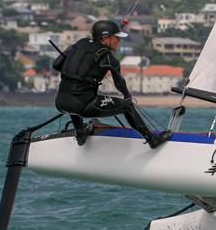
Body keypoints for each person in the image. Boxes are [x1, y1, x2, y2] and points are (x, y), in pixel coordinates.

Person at [53, 20, 170, 148]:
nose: (118, 41)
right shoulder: (109, 58)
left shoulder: (79, 44)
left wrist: (75, 70)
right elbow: (119, 83)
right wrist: (127, 97)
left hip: (60, 102)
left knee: (74, 95)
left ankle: (80, 133)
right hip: (83, 106)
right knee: (127, 106)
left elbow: (56, 65)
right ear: (105, 38)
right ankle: (152, 139)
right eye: (116, 38)